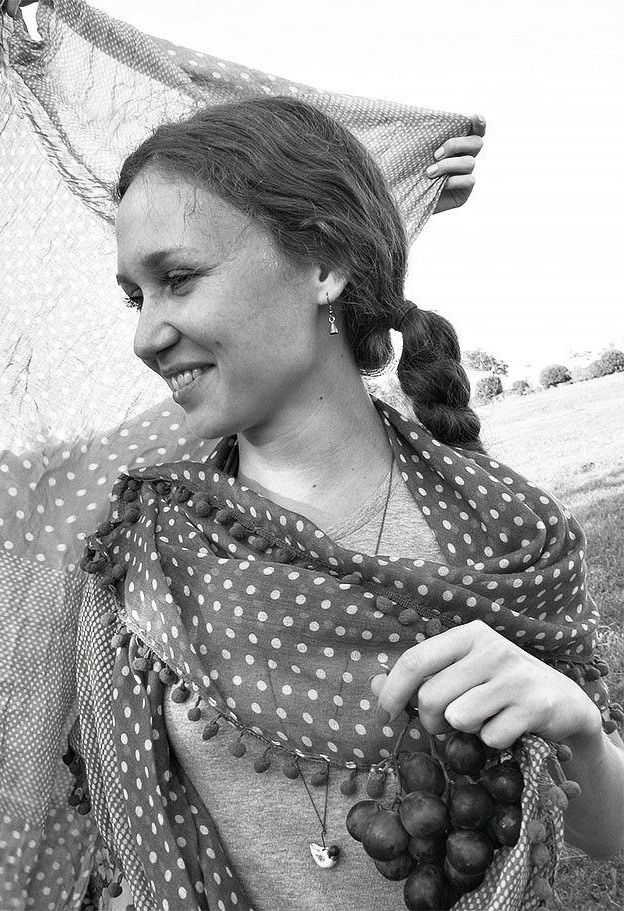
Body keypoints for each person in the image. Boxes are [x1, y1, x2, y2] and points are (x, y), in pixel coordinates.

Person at [72, 95, 624, 911]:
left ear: (324, 264)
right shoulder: (152, 544)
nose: (145, 334)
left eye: (177, 279)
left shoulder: (507, 532)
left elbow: (606, 835)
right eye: (136, 295)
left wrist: (576, 729)